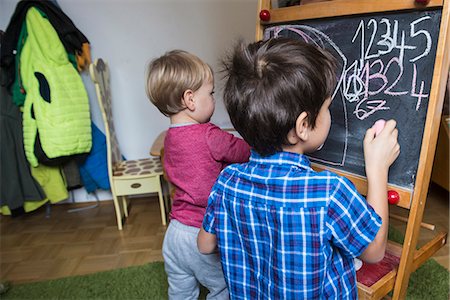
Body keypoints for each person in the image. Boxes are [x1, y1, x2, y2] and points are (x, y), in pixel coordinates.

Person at [197, 38, 400, 299]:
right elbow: (373, 251)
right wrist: (378, 169)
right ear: (303, 125)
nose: (329, 115)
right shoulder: (328, 192)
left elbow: (205, 244)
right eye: (327, 108)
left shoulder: (227, 182)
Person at [146, 50, 251, 300]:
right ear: (190, 100)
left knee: (181, 291)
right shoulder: (209, 134)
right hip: (201, 233)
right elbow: (243, 151)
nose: (214, 99)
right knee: (223, 286)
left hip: (174, 234)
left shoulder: (169, 138)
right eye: (211, 93)